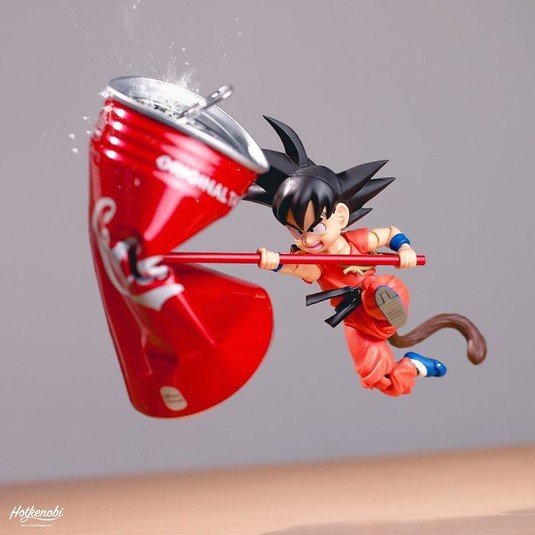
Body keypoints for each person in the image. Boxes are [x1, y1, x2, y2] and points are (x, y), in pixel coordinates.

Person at [244, 116, 486, 397]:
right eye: (296, 231)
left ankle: (385, 303)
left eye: (316, 228)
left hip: (378, 300)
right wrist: (274, 263)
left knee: (379, 289)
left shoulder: (355, 242)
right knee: (379, 380)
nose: (307, 240)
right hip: (355, 322)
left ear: (340, 216)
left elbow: (391, 234)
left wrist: (404, 249)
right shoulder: (313, 262)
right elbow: (298, 268)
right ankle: (414, 365)